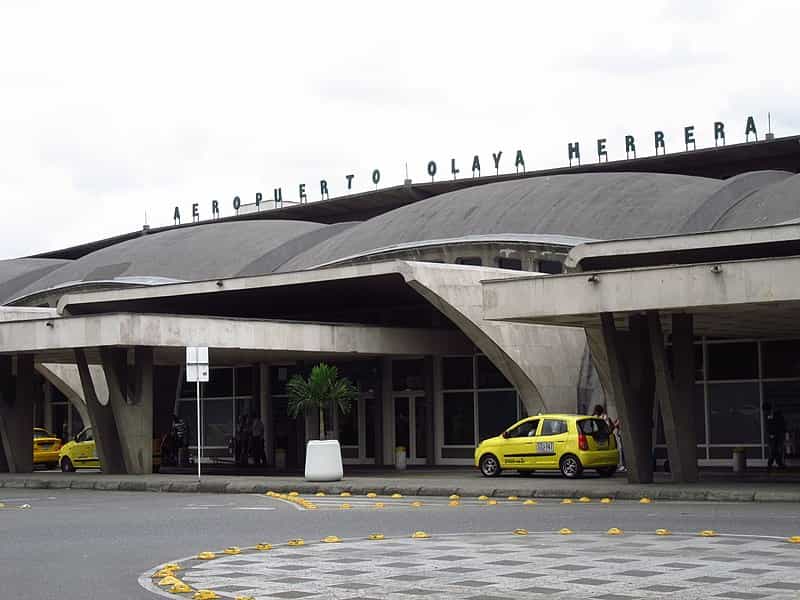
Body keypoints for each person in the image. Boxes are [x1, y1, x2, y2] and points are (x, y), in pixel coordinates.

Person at [764, 402, 786, 472]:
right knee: (774, 451)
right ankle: (776, 465)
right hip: (773, 435)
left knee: (774, 451)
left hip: (775, 435)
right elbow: (770, 426)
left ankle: (776, 465)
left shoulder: (773, 414)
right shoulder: (770, 415)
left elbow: (771, 425)